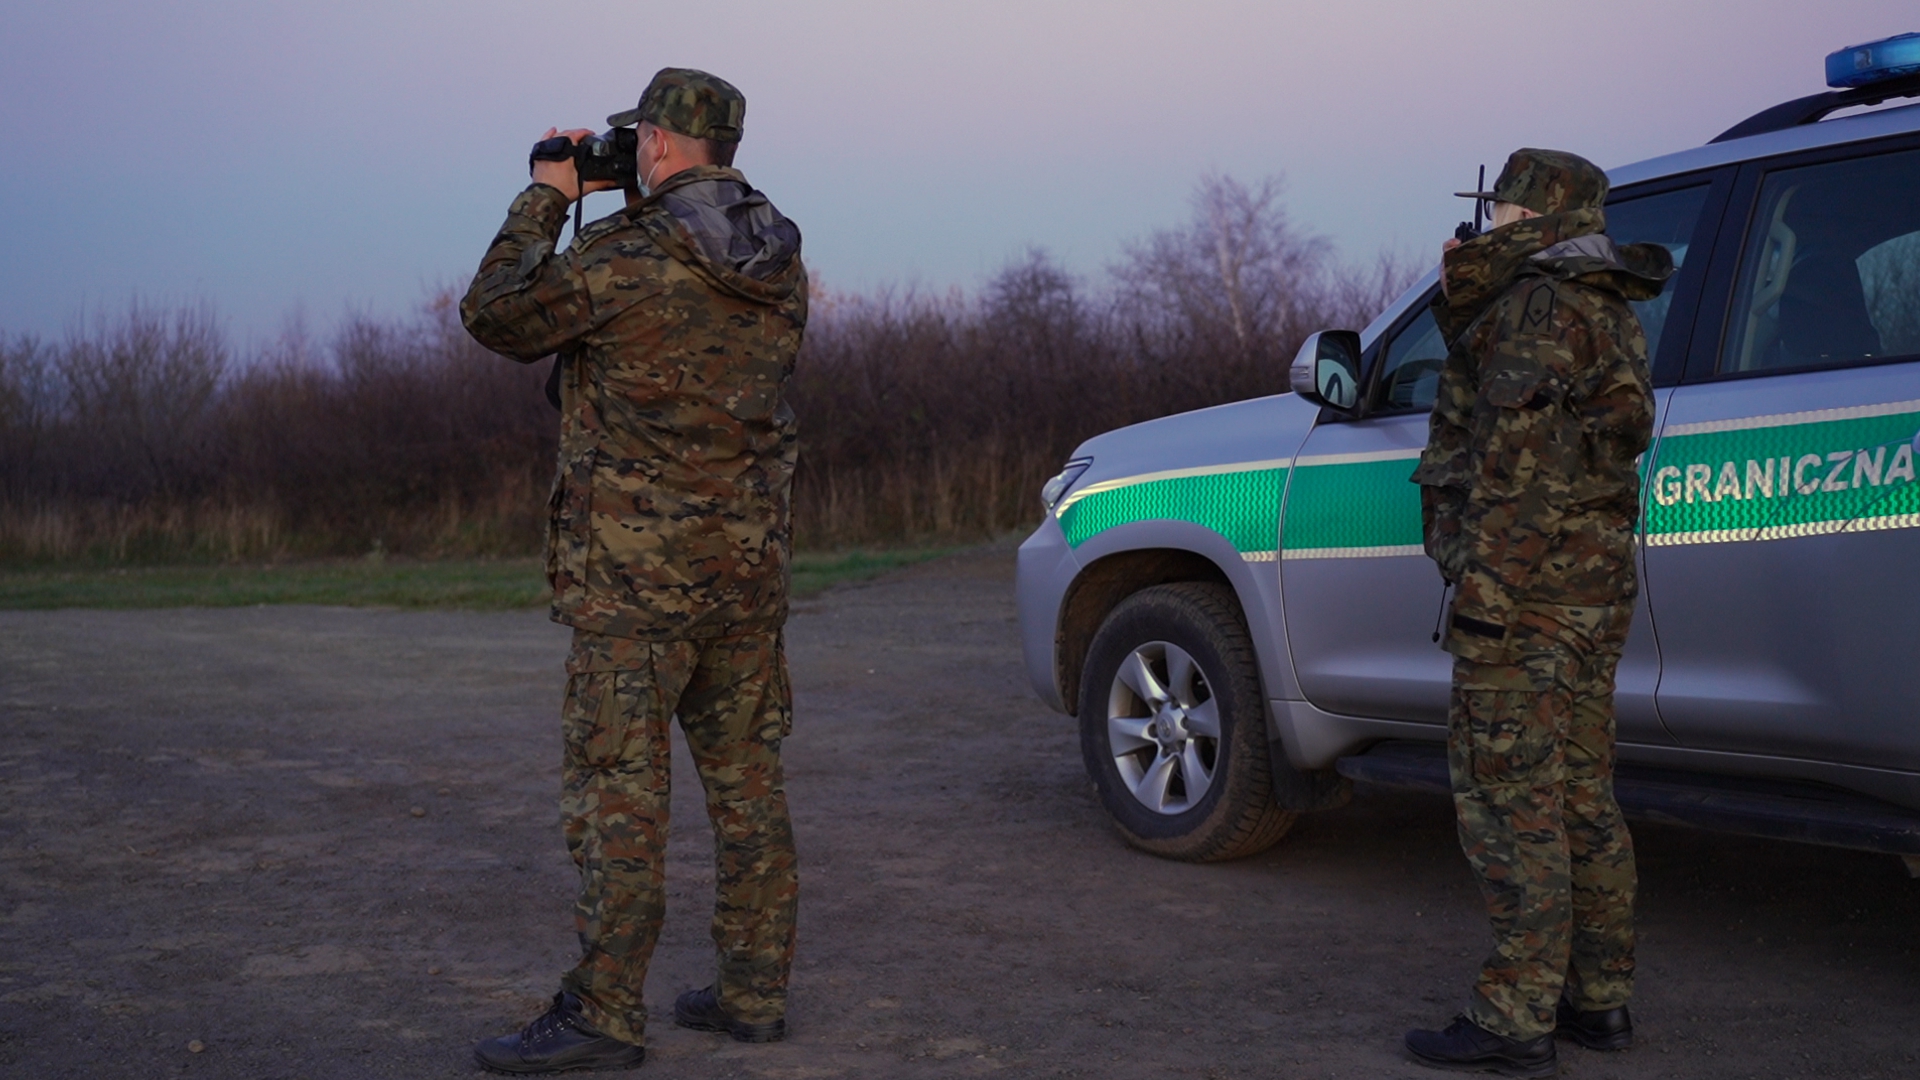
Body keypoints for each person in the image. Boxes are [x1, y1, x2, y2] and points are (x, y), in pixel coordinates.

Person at [460, 67, 807, 1074]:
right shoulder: (778, 257)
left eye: (636, 139)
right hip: (744, 576)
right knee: (749, 790)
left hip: (633, 587)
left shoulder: (628, 256)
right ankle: (752, 990)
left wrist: (549, 197)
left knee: (621, 794)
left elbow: (496, 314)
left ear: (656, 142)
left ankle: (605, 1011)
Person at [1404, 148, 1673, 1078]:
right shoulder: (1597, 303)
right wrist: (1464, 293)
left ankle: (1514, 1014)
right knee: (1578, 791)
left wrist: (1483, 601)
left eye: (1507, 212)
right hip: (1590, 590)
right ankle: (1597, 1001)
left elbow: (1522, 470)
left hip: (1530, 593)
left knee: (1509, 798)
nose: (1494, 223)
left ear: (1539, 216)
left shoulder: (1539, 308)